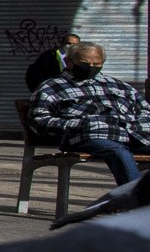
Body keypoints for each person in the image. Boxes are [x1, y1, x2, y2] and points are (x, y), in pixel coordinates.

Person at [27, 41, 150, 186]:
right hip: (89, 136)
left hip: (131, 132)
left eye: (96, 64)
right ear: (69, 62)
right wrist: (80, 124)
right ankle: (135, 202)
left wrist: (140, 123)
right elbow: (38, 119)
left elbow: (145, 109)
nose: (91, 68)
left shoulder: (119, 85)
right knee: (119, 153)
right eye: (85, 63)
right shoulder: (51, 87)